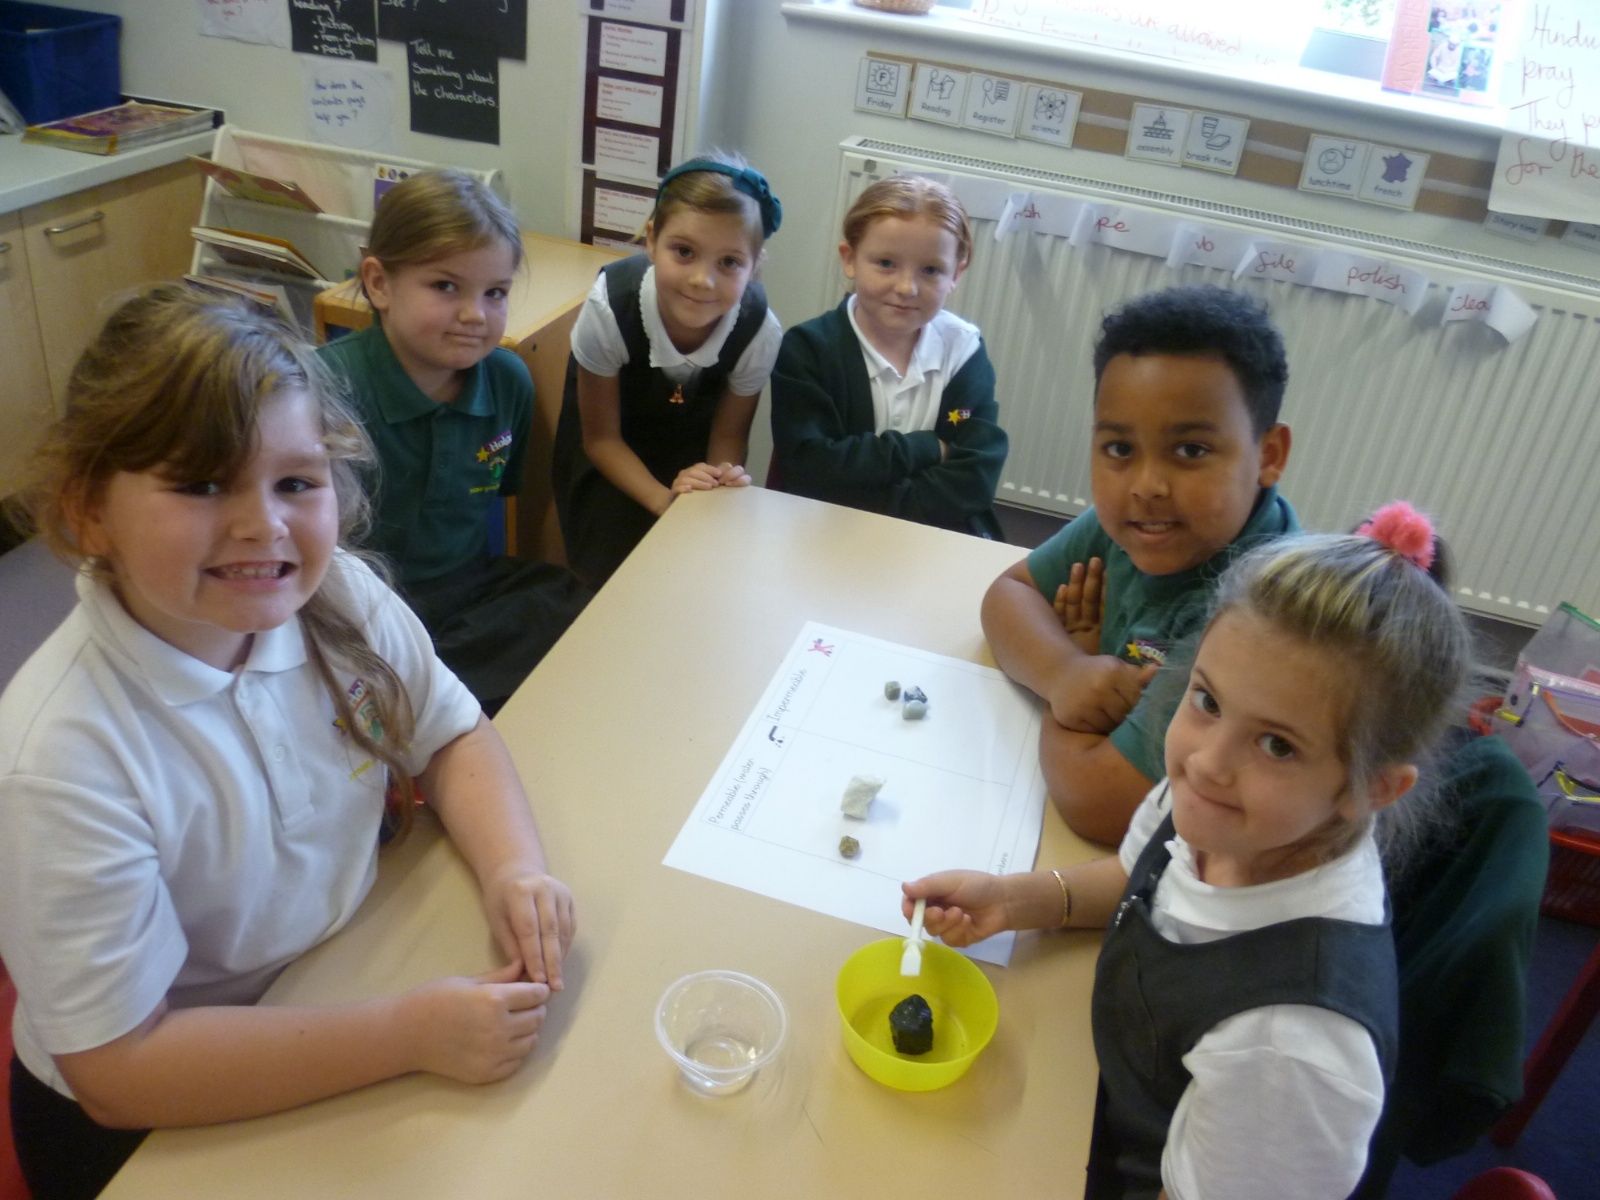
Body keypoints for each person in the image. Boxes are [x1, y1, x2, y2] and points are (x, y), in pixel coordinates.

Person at [0, 286, 576, 1200]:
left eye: (296, 482)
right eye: (201, 483)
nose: (262, 525)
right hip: (159, 1112)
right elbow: (118, 1069)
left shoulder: (336, 592)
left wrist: (514, 869)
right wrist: (407, 1035)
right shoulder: (62, 759)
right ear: (90, 510)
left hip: (332, 980)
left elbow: (454, 734)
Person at [907, 509, 1474, 1200]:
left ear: (1373, 788)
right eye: (1207, 700)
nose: (1207, 761)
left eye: (1276, 745)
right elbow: (1141, 876)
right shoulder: (1230, 817)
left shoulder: (1289, 1049)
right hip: (1090, 1092)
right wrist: (1014, 899)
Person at [981, 285, 1297, 845]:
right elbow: (1007, 596)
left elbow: (1098, 803)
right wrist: (1064, 672)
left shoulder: (1257, 614)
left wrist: (1069, 692)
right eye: (1120, 450)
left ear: (1268, 456)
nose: (1146, 487)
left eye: (1191, 451)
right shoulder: (1132, 527)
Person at [320, 169, 590, 715]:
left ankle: (428, 692)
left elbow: (498, 505)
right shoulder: (324, 389)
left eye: (496, 293)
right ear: (379, 283)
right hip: (359, 605)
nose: (475, 315)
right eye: (446, 286)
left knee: (578, 611)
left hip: (467, 594)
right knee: (349, 670)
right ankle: (423, 694)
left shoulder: (508, 381)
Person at [553, 153, 783, 588]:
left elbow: (728, 437)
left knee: (691, 576)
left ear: (755, 266)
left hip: (693, 458)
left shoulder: (761, 331)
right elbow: (601, 439)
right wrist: (666, 503)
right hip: (609, 457)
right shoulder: (609, 307)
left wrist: (713, 485)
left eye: (729, 262)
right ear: (651, 240)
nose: (702, 280)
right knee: (605, 578)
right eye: (684, 252)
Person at [769, 176, 1008, 537]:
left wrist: (875, 500)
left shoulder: (963, 350)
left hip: (933, 533)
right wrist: (928, 446)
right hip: (826, 533)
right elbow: (812, 471)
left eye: (930, 270)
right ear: (850, 259)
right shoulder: (808, 350)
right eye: (885, 263)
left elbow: (976, 474)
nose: (906, 288)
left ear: (955, 274)